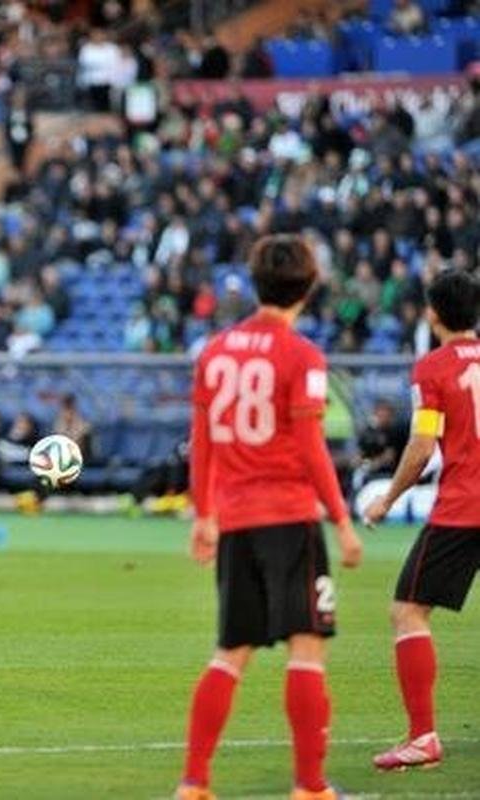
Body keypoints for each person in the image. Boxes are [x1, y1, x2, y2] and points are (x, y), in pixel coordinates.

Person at [178, 235, 363, 800]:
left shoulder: (215, 351)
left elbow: (202, 439)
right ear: (309, 286)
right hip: (289, 519)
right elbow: (311, 448)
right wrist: (343, 520)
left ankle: (194, 782)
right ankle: (310, 786)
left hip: (234, 520)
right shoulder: (303, 356)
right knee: (306, 650)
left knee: (230, 654)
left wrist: (203, 513)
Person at [363, 270, 480, 771]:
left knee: (408, 610)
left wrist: (388, 498)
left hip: (464, 507)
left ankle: (423, 737)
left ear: (433, 313)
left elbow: (422, 445)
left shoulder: (432, 369)